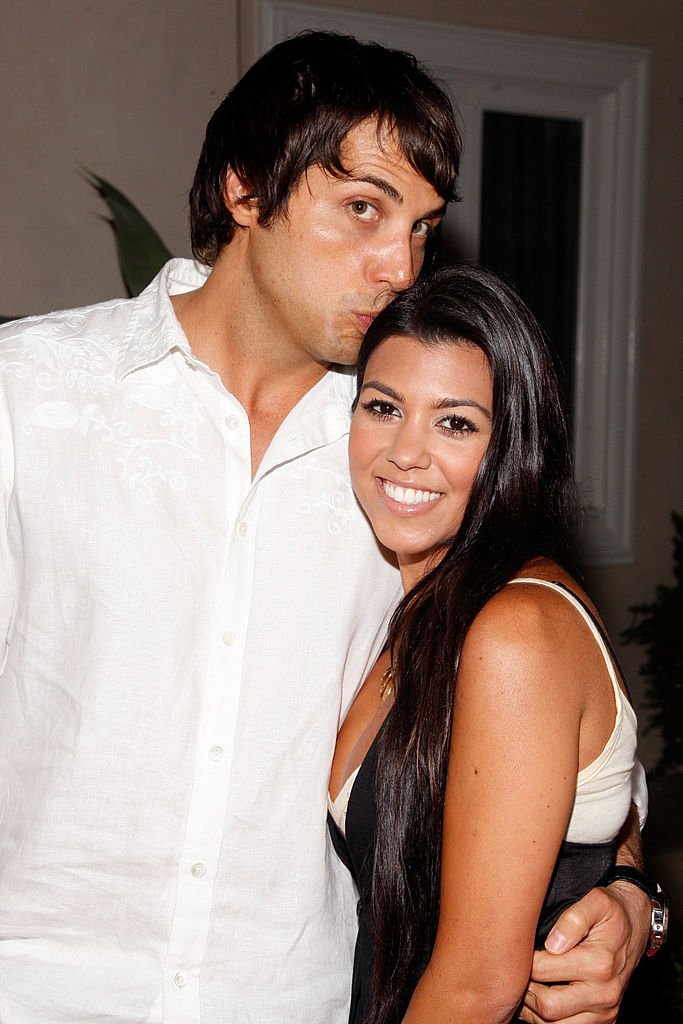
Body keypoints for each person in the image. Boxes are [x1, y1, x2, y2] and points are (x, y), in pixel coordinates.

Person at [0, 29, 653, 1024]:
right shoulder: (28, 398)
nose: (398, 265)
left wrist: (630, 897)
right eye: (362, 209)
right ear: (244, 190)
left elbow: (569, 743)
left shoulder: (404, 459)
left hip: (295, 1000)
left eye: (422, 229)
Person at [328, 262, 648, 1024]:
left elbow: (477, 986)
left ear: (513, 446)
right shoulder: (416, 601)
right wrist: (638, 891)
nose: (406, 452)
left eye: (455, 422)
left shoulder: (515, 631)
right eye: (382, 406)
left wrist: (637, 904)